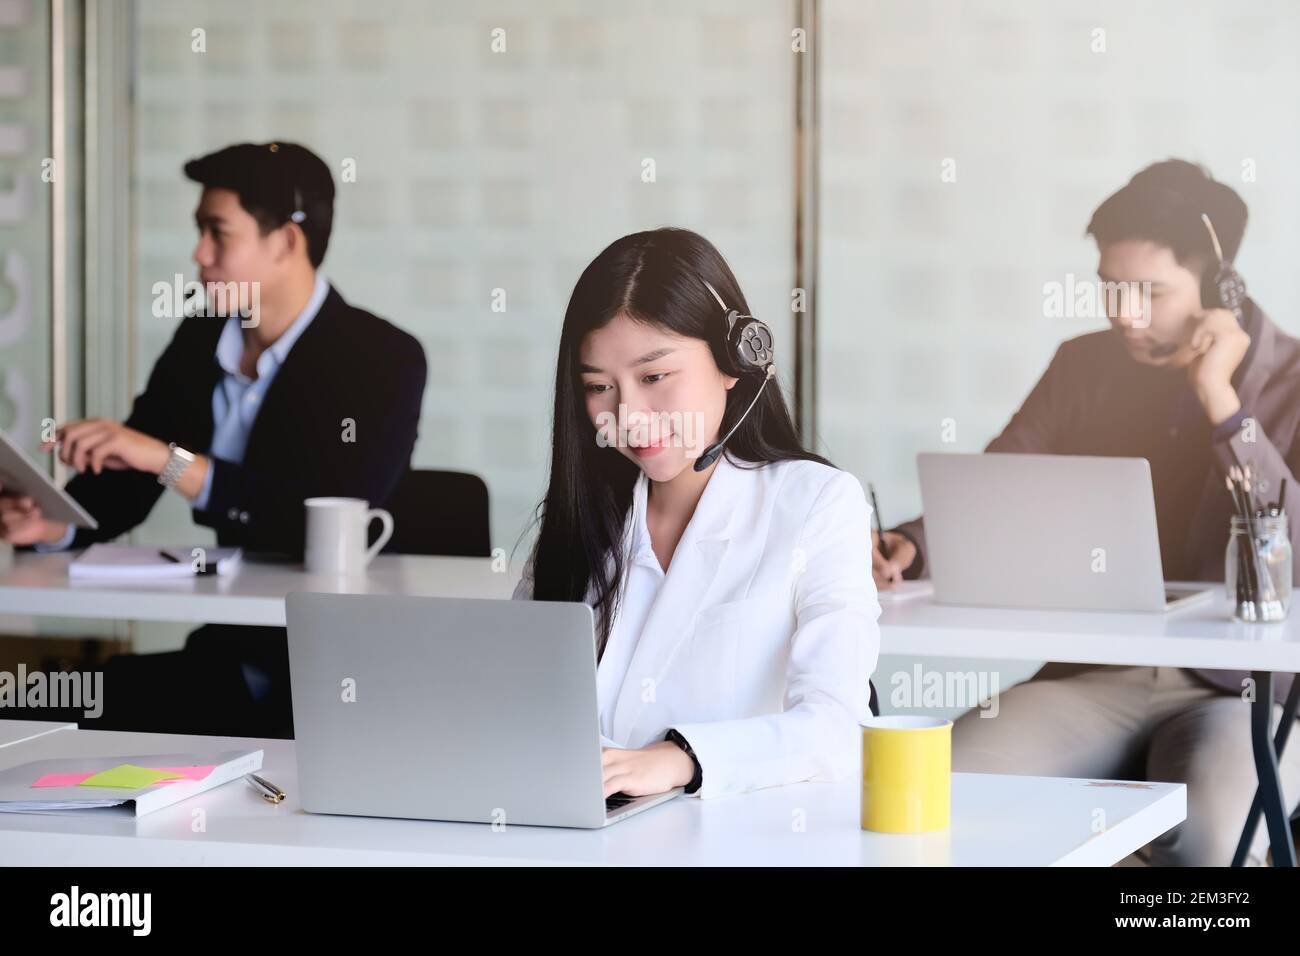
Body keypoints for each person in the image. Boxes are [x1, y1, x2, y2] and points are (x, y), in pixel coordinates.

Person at [873, 160, 1300, 865]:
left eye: (1150, 293)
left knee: (1219, 839)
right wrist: (914, 544)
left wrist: (1223, 403)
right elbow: (1000, 483)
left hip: (1240, 694)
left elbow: (1290, 540)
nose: (1124, 314)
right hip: (1096, 676)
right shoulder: (1084, 367)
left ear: (1223, 288)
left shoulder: (1290, 381)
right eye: (1111, 288)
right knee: (936, 793)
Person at [0, 141, 427, 737]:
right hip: (229, 652)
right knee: (32, 699)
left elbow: (326, 511)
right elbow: (130, 473)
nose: (199, 255)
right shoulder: (202, 338)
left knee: (84, 704)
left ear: (286, 242)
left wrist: (167, 461)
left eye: (217, 233)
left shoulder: (381, 358)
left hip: (340, 672)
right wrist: (58, 524)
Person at [513, 227, 880, 800]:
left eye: (654, 376)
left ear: (735, 361)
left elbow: (841, 730)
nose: (628, 413)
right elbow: (514, 702)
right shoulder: (581, 521)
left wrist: (683, 758)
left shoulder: (815, 504)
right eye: (598, 386)